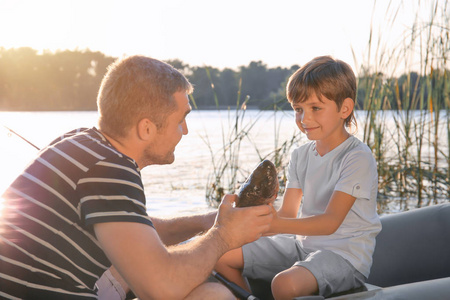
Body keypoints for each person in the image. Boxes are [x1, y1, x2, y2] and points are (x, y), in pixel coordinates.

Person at [0, 55, 273, 299]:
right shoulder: (111, 169)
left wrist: (209, 222)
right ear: (146, 128)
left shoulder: (80, 142)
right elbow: (161, 288)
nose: (185, 131)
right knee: (212, 295)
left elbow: (135, 231)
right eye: (181, 120)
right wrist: (223, 237)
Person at [215, 56, 382, 299]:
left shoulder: (357, 157)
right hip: (301, 246)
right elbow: (288, 214)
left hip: (345, 256)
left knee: (285, 285)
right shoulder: (301, 155)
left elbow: (330, 222)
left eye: (316, 108)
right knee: (221, 255)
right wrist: (255, 219)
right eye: (298, 110)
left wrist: (273, 224)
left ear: (344, 108)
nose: (304, 119)